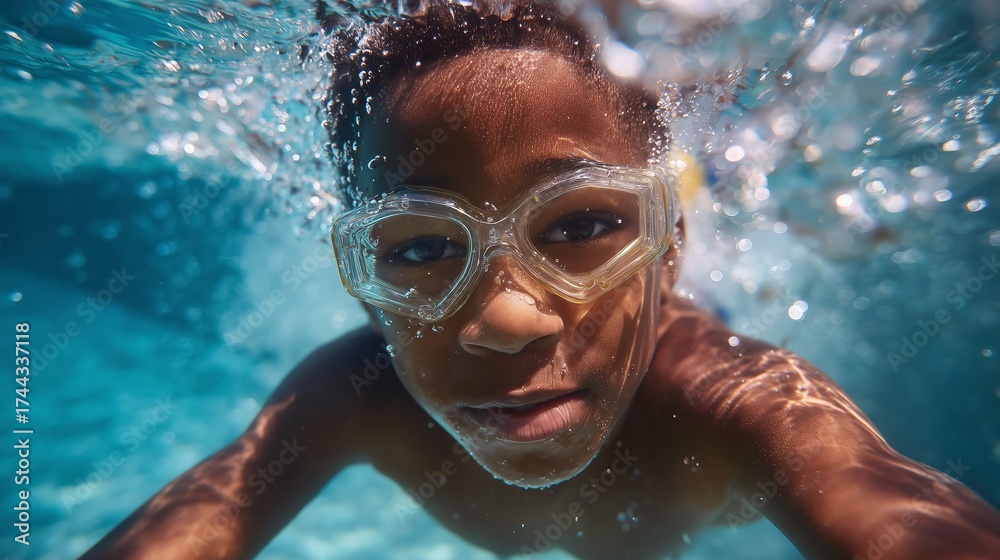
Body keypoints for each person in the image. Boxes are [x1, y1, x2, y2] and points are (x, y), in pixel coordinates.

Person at [82, 1, 1000, 558]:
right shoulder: (352, 398)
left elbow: (875, 499)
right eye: (416, 248)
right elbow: (216, 510)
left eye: (586, 225)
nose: (508, 320)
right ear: (361, 282)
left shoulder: (735, 403)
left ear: (665, 249)